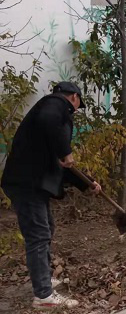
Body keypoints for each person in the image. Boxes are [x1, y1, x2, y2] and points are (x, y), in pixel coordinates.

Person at [1, 82, 102, 310]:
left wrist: (87, 184)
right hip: (26, 184)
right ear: (74, 97)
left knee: (47, 228)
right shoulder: (54, 105)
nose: (75, 112)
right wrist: (66, 151)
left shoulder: (47, 122)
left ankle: (43, 279)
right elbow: (63, 154)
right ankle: (43, 296)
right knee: (38, 235)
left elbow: (61, 165)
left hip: (33, 184)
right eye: (77, 106)